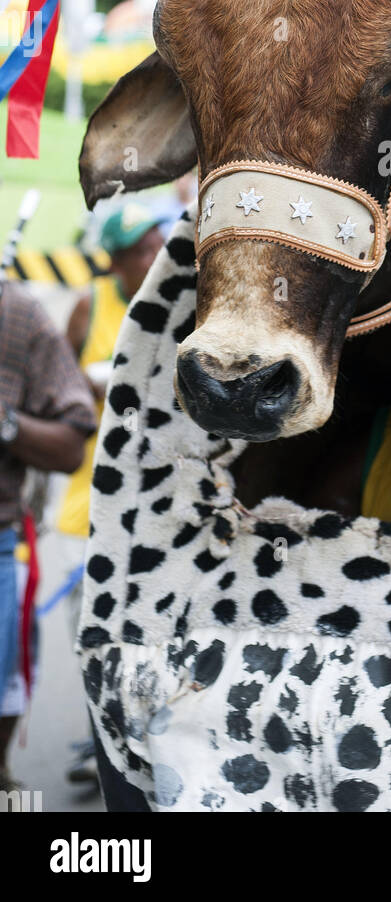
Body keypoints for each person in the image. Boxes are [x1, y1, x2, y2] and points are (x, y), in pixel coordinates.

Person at [58, 203, 163, 787]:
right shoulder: (90, 304)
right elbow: (57, 388)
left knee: (149, 629)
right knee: (91, 630)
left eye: (159, 245)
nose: (155, 259)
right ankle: (98, 738)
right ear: (117, 260)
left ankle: (143, 741)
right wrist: (94, 377)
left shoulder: (180, 299)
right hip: (90, 498)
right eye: (143, 250)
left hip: (158, 502)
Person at [0, 280, 96, 797]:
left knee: (4, 691)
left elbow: (69, 445)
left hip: (1, 544)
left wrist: (7, 423)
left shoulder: (16, 314)